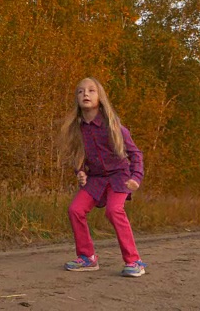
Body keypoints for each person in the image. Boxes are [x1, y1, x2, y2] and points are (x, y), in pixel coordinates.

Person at [58, 77, 146, 277]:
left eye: (91, 90)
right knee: (75, 209)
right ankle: (87, 257)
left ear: (100, 97)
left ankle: (134, 261)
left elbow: (136, 154)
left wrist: (136, 177)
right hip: (96, 179)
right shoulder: (77, 129)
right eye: (80, 91)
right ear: (76, 99)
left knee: (114, 211)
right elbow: (78, 156)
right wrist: (80, 172)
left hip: (119, 176)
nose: (85, 94)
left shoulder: (113, 126)